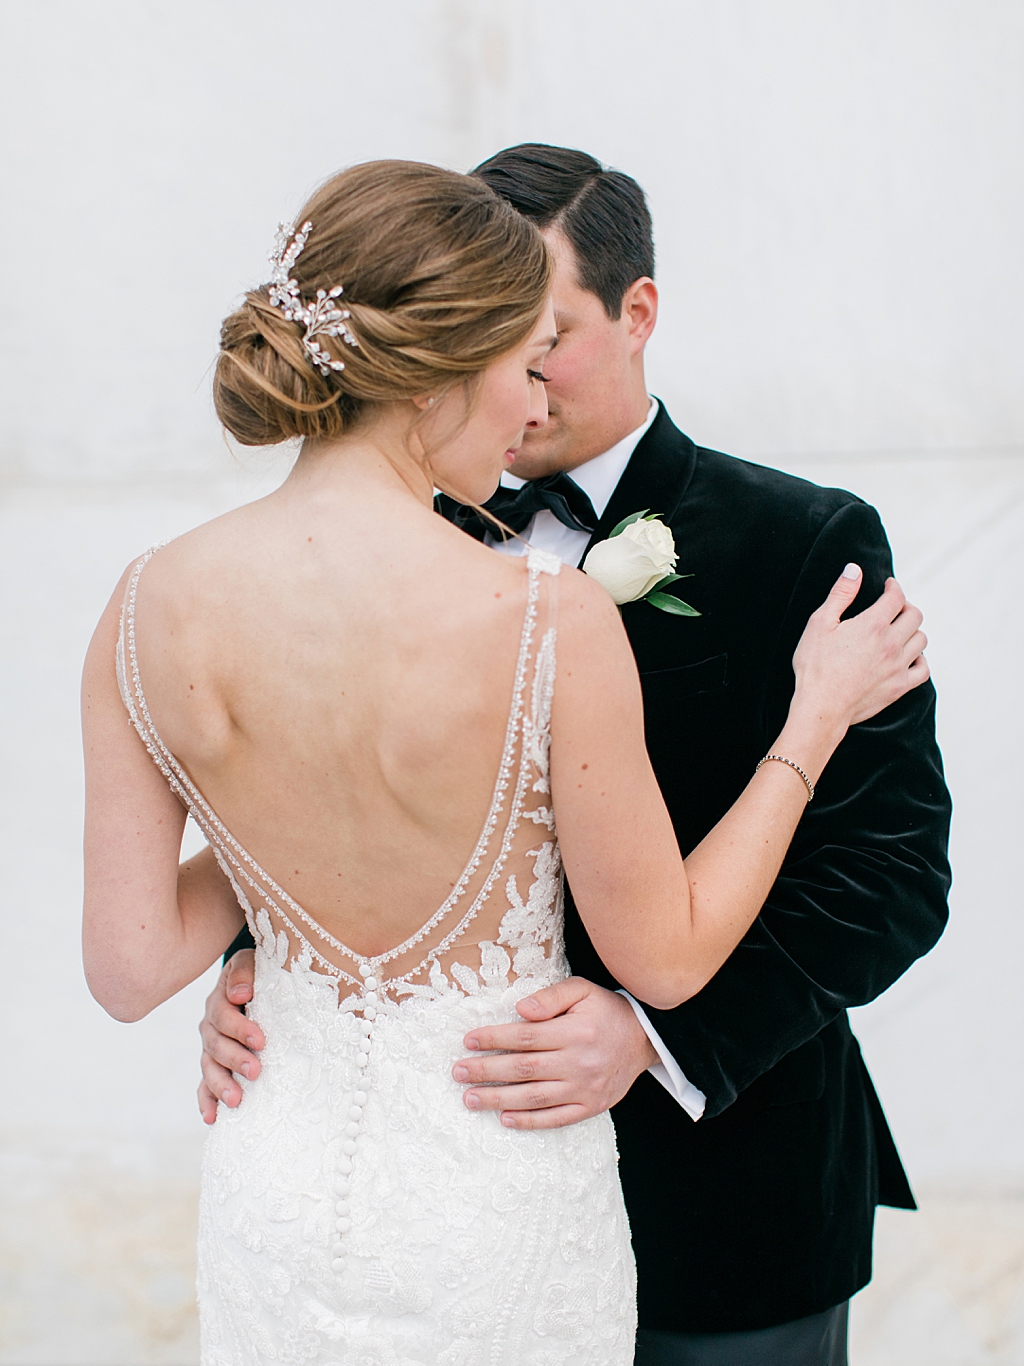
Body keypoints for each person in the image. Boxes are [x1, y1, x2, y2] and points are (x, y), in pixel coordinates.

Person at [198, 147, 953, 1366]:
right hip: (456, 1214)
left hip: (728, 1208)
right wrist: (258, 974)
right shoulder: (386, 539)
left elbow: (890, 878)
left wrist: (651, 1042)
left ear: (637, 310)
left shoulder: (805, 540)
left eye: (537, 334)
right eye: (476, 337)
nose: (509, 376)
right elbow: (331, 794)